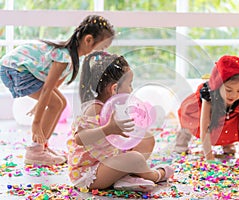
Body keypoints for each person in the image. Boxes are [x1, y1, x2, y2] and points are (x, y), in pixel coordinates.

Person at [0, 15, 115, 165]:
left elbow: (52, 86)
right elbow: (47, 89)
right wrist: (36, 124)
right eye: (102, 47)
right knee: (55, 104)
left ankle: (41, 147)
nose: (102, 51)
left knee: (60, 103)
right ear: (88, 40)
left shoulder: (70, 58)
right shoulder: (64, 57)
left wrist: (39, 102)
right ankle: (35, 151)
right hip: (15, 69)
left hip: (18, 69)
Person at [67, 51, 174, 192]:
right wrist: (108, 129)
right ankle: (154, 175)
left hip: (108, 159)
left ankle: (124, 178)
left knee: (146, 138)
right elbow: (80, 139)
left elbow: (119, 135)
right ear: (115, 88)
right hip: (91, 172)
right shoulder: (94, 109)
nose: (132, 89)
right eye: (130, 84)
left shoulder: (112, 106)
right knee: (135, 158)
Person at [174, 55, 239, 161]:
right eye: (228, 90)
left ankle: (226, 142)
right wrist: (209, 157)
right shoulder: (209, 94)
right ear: (218, 84)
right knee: (190, 123)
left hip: (228, 113)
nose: (234, 95)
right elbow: (205, 127)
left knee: (232, 121)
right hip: (200, 114)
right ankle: (182, 140)